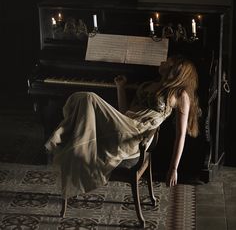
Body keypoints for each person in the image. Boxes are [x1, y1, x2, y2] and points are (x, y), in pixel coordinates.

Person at [45, 55, 201, 197]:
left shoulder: (181, 94)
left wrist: (173, 168)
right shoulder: (148, 84)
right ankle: (69, 141)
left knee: (89, 98)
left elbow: (180, 135)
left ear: (176, 70)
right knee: (83, 99)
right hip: (124, 126)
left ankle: (60, 138)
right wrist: (120, 87)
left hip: (135, 136)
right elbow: (125, 113)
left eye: (168, 61)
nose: (162, 61)